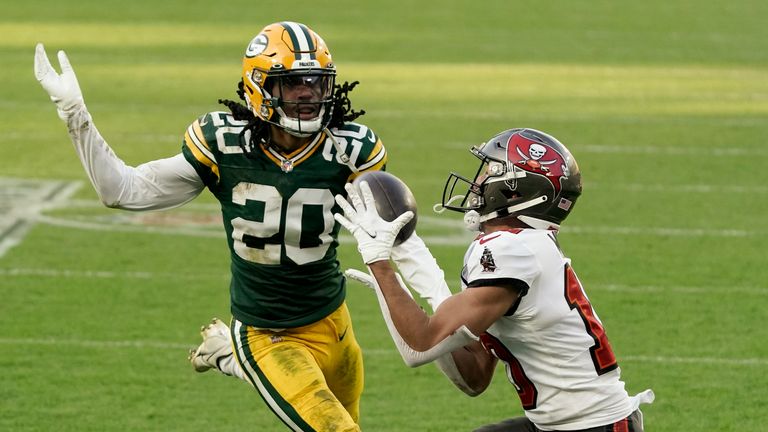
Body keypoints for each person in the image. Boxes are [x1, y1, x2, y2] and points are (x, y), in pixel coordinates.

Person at [34, 21, 447, 432]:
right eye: (292, 83)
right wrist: (75, 113)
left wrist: (442, 301)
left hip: (334, 321)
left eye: (316, 82)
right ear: (259, 88)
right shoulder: (225, 145)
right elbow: (123, 190)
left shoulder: (351, 148)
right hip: (268, 333)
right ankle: (238, 353)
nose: (307, 94)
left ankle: (227, 355)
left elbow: (396, 235)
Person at [335, 128, 655, 431]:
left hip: (594, 427)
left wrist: (380, 263)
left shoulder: (509, 250)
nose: (478, 182)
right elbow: (473, 375)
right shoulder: (522, 247)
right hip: (568, 424)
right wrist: (410, 256)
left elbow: (419, 345)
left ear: (515, 191)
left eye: (491, 171)